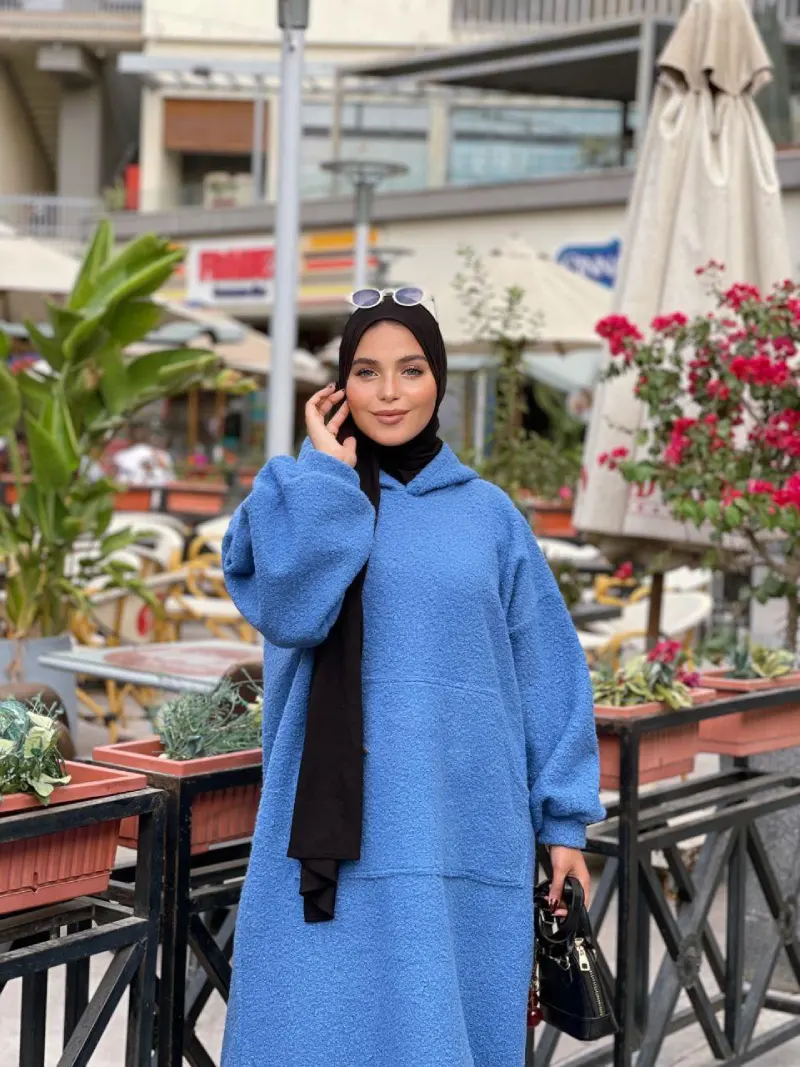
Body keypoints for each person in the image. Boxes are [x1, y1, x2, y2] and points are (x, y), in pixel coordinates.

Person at [220, 295, 604, 1067]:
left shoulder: (490, 515)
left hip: (465, 826)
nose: (390, 392)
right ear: (338, 388)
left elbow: (547, 668)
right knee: (314, 1036)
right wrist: (328, 479)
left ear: (440, 380)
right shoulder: (293, 498)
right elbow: (290, 611)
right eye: (366, 372)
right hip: (330, 839)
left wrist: (564, 821)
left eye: (411, 370)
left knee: (443, 1034)